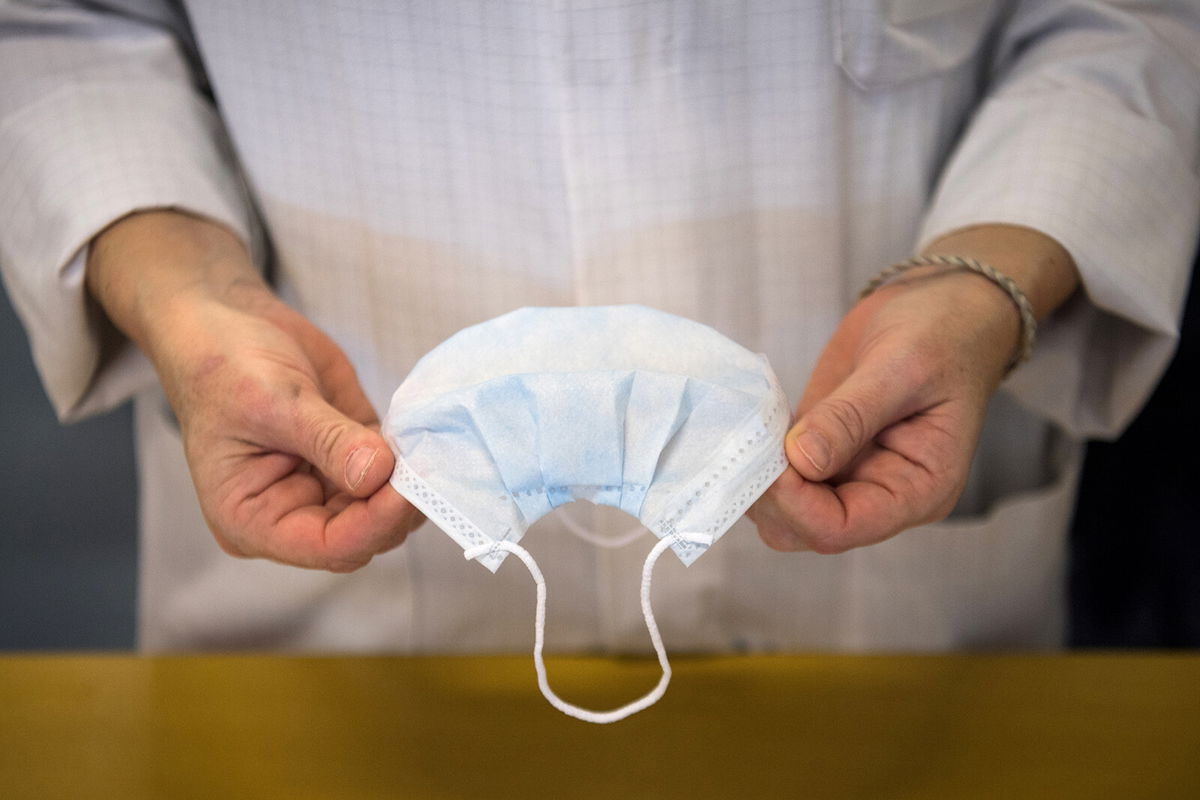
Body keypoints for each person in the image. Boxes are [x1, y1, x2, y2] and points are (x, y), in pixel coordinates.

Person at [1, 1, 1197, 652]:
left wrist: (987, 280)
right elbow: (59, 25)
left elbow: (1131, 18)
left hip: (887, 636)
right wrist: (188, 290)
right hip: (335, 638)